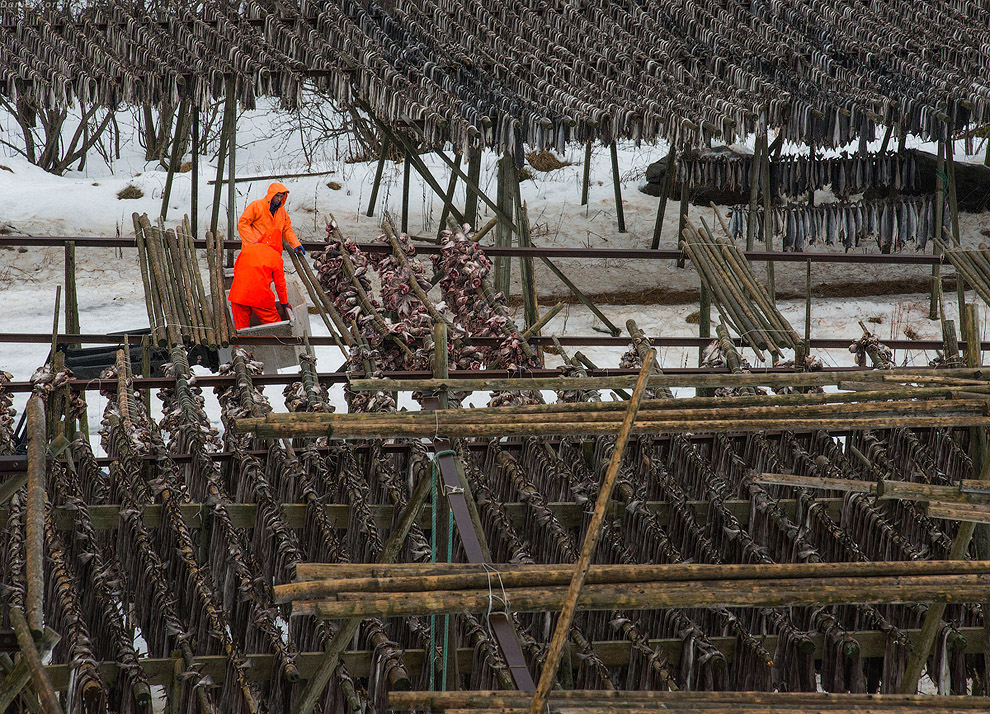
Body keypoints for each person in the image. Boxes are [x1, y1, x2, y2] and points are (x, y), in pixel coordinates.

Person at [227, 233, 290, 330]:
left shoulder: (247, 249)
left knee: (241, 330)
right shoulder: (275, 257)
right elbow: (280, 284)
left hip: (238, 295)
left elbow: (236, 270)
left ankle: (241, 345)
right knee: (275, 326)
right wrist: (284, 303)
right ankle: (280, 343)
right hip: (260, 297)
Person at [237, 181, 306, 255]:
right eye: (277, 196)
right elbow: (243, 224)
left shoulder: (282, 212)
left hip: (273, 253)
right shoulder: (256, 206)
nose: (279, 199)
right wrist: (253, 243)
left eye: (281, 196)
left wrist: (295, 244)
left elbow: (287, 230)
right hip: (254, 252)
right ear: (271, 195)